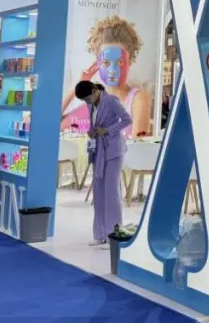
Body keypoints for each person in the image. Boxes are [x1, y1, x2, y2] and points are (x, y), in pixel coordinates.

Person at [63, 17, 153, 137]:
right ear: (98, 63)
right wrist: (79, 84)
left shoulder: (138, 99)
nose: (112, 71)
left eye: (119, 62)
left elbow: (138, 144)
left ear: (130, 62)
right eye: (106, 63)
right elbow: (52, 123)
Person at [76, 80, 133, 246]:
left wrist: (108, 130)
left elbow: (127, 119)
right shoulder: (91, 105)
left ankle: (114, 236)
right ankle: (100, 234)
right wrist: (92, 132)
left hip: (113, 150)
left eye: (88, 98)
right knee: (99, 192)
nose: (87, 102)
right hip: (98, 150)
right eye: (84, 101)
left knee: (111, 193)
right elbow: (96, 124)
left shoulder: (111, 101)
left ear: (95, 90)